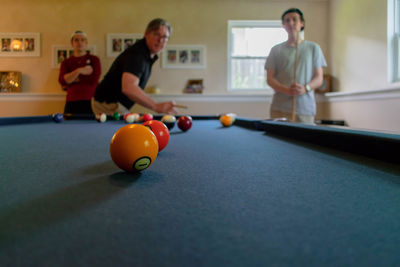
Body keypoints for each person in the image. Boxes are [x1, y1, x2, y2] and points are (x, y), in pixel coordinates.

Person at [92, 18, 177, 115]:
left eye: (165, 37)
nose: (160, 40)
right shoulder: (137, 55)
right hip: (107, 105)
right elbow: (129, 87)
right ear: (146, 33)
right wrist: (156, 106)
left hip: (113, 104)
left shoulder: (146, 54)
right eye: (157, 34)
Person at [265, 8, 327, 123]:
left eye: (294, 20)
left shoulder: (314, 48)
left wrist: (305, 88)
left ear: (302, 23)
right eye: (287, 20)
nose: (291, 23)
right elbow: (270, 79)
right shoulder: (275, 50)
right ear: (283, 25)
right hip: (279, 108)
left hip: (305, 109)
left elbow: (319, 78)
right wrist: (286, 90)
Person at [58, 31, 101, 114]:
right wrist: (79, 70)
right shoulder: (66, 62)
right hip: (71, 101)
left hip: (90, 101)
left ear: (86, 43)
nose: (79, 43)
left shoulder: (94, 60)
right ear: (72, 43)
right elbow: (62, 81)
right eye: (76, 40)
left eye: (82, 40)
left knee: (91, 126)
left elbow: (93, 79)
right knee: (68, 126)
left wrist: (71, 79)